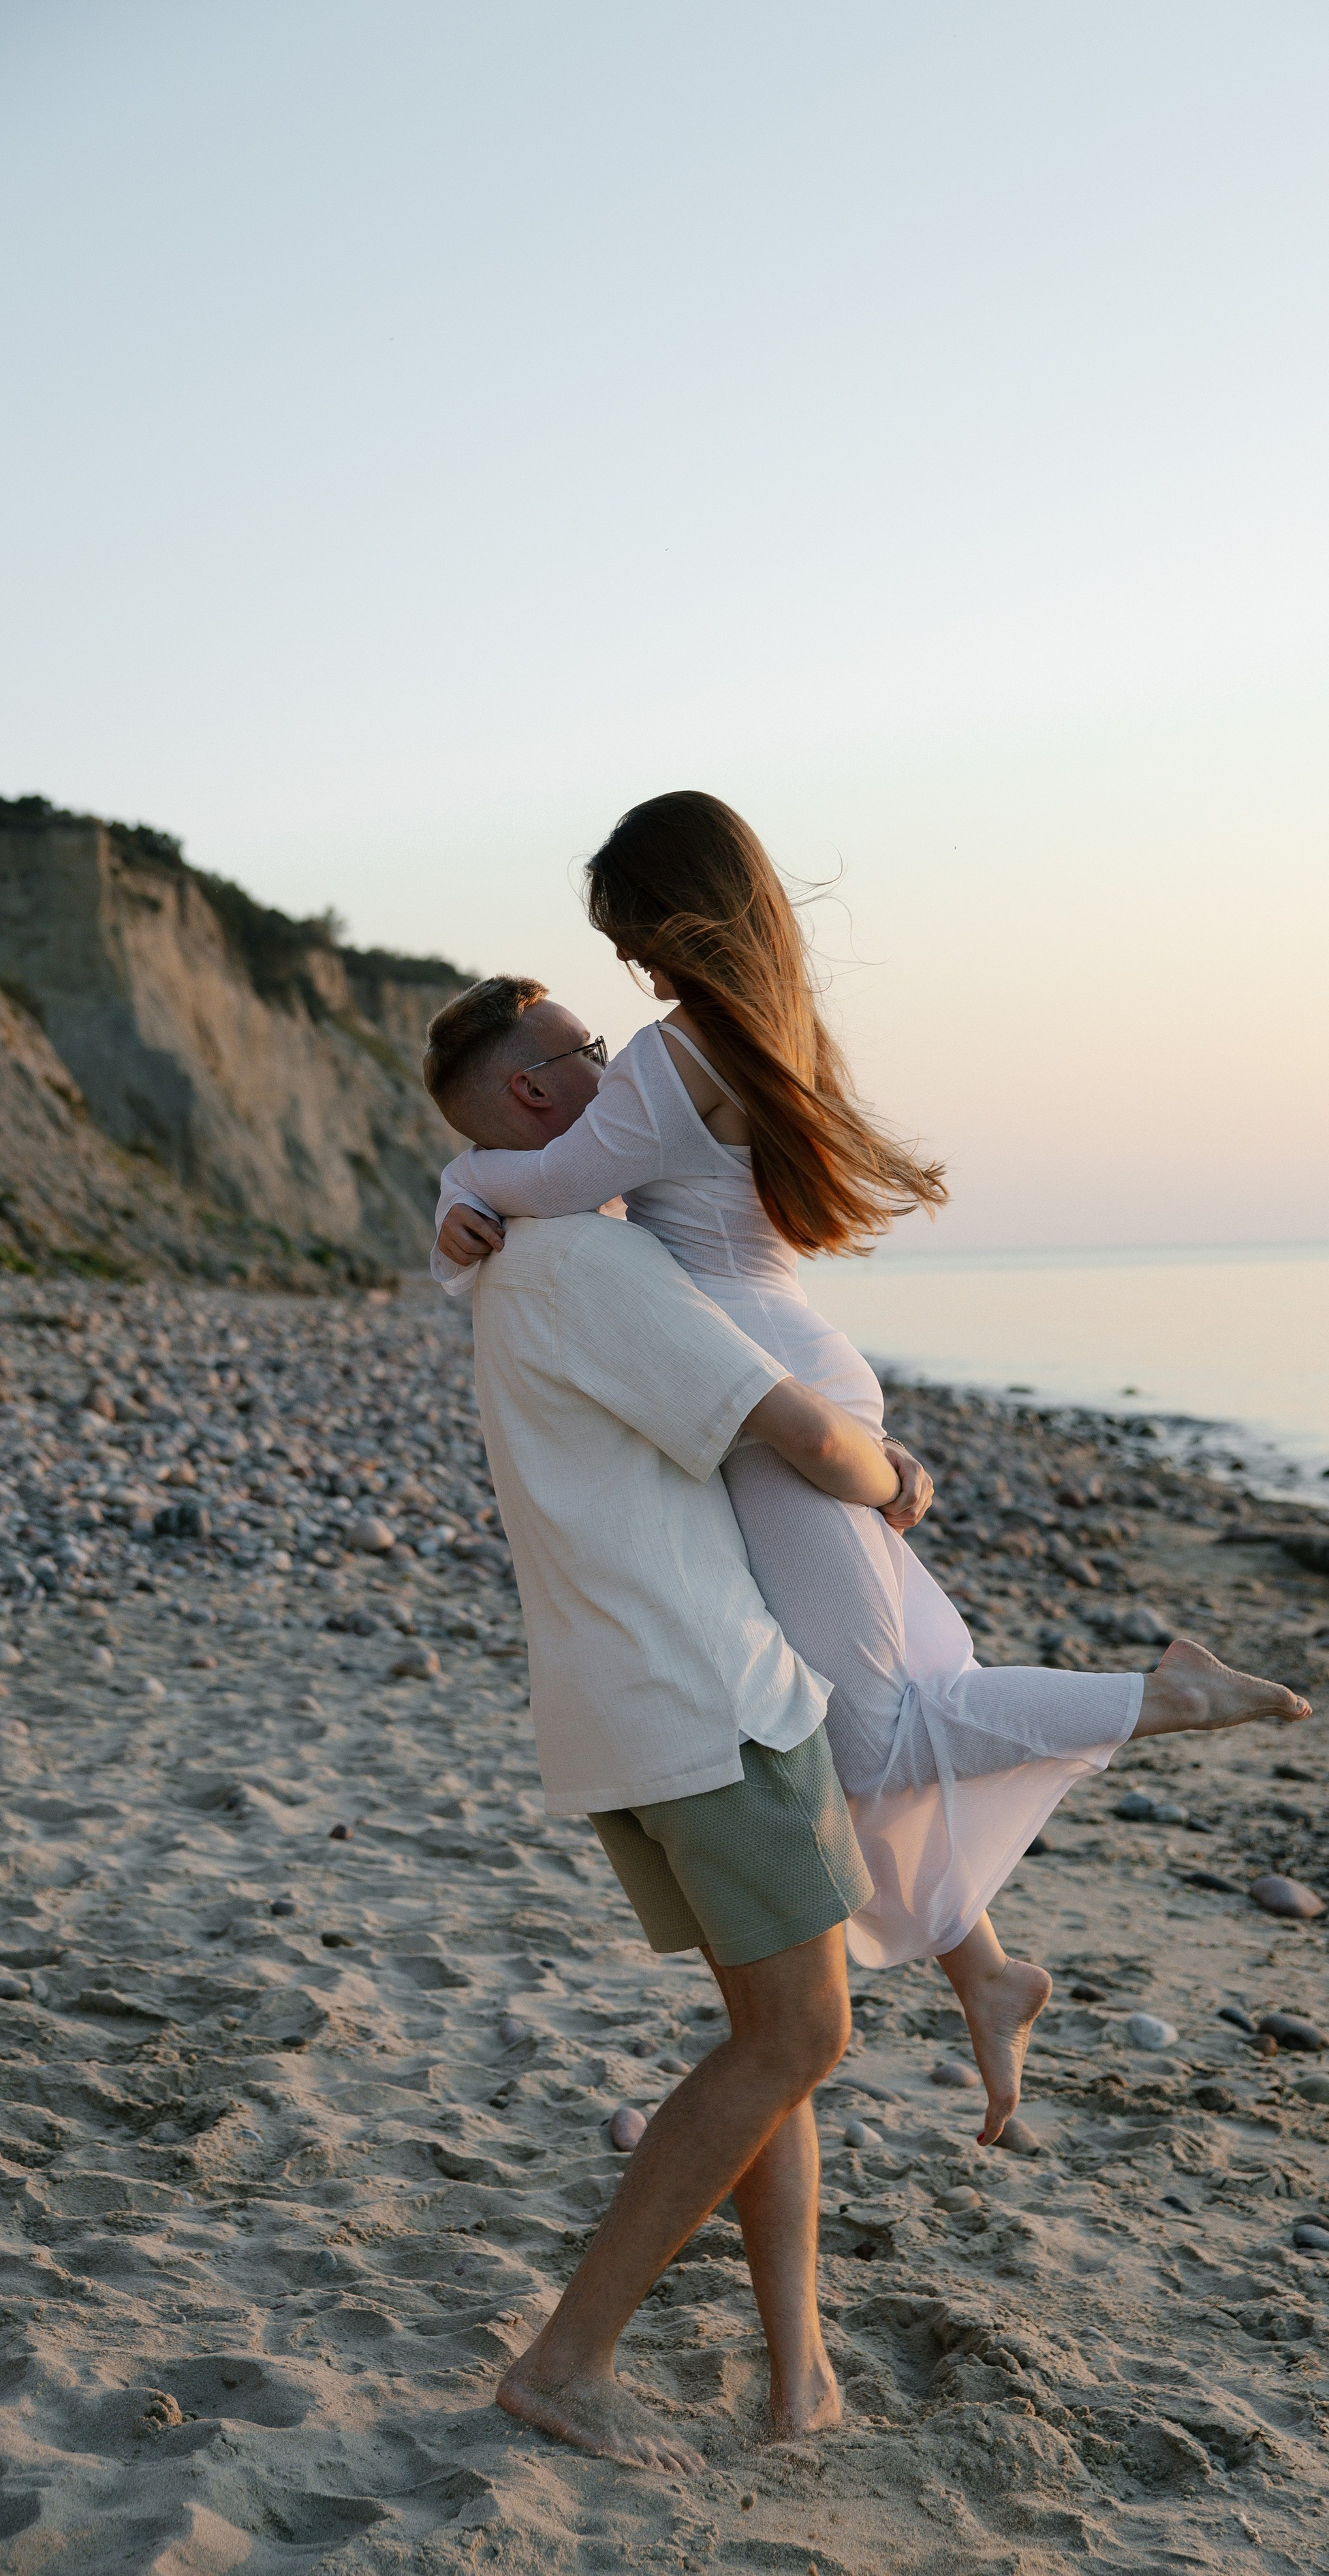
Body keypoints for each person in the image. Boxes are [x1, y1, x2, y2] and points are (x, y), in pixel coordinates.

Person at [426, 797, 1311, 2148]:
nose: (635, 977)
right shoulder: (771, 1031)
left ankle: (1163, 1693)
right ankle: (984, 1963)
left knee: (873, 1732)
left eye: (637, 941)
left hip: (770, 1406)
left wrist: (454, 1176)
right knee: (878, 1710)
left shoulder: (671, 1058)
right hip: (785, 1368)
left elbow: (549, 1184)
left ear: (684, 916)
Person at [426, 973, 941, 2472]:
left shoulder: (505, 1258)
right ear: (539, 1097)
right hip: (706, 1700)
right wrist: (893, 1478)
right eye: (594, 1053)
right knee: (799, 2032)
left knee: (765, 2041)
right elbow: (791, 1426)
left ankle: (800, 2376)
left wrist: (453, 1198)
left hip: (616, 1710)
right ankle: (565, 2358)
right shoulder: (591, 1268)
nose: (629, 1071)